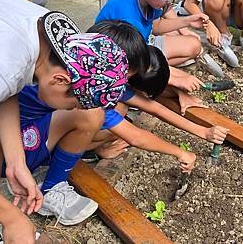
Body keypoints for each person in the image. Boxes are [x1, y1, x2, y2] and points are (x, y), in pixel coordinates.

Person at [0, 0, 129, 243]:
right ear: (60, 80)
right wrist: (10, 217)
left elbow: (6, 89)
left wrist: (17, 162)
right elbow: (3, 72)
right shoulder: (6, 59)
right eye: (75, 104)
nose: (73, 109)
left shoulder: (51, 36)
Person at [87, 46, 229, 162]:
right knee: (118, 124)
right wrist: (181, 153)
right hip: (71, 131)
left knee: (120, 116)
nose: (148, 98)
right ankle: (87, 151)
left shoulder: (119, 71)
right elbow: (136, 137)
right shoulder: (102, 96)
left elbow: (157, 109)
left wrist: (204, 131)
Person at [96, 0, 208, 94]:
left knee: (193, 45)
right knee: (163, 84)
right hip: (121, 60)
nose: (169, 2)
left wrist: (187, 21)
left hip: (143, 47)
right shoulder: (127, 19)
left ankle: (156, 71)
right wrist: (176, 79)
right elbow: (134, 61)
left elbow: (156, 27)